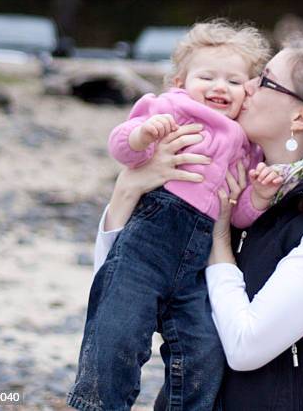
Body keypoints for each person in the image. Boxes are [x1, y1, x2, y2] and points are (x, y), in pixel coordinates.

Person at [92, 37, 303, 410]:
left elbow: (246, 346)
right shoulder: (237, 191)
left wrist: (220, 238)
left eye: (264, 80)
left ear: (302, 116)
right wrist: (129, 188)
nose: (244, 86)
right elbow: (115, 289)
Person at [67, 20, 284, 411]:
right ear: (180, 81)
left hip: (200, 264)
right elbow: (122, 148)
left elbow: (238, 217)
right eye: (208, 77)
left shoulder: (248, 146)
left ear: (248, 92)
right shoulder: (170, 109)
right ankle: (98, 404)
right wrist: (143, 135)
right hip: (148, 243)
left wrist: (261, 196)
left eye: (234, 82)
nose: (220, 87)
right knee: (117, 336)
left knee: (203, 351)